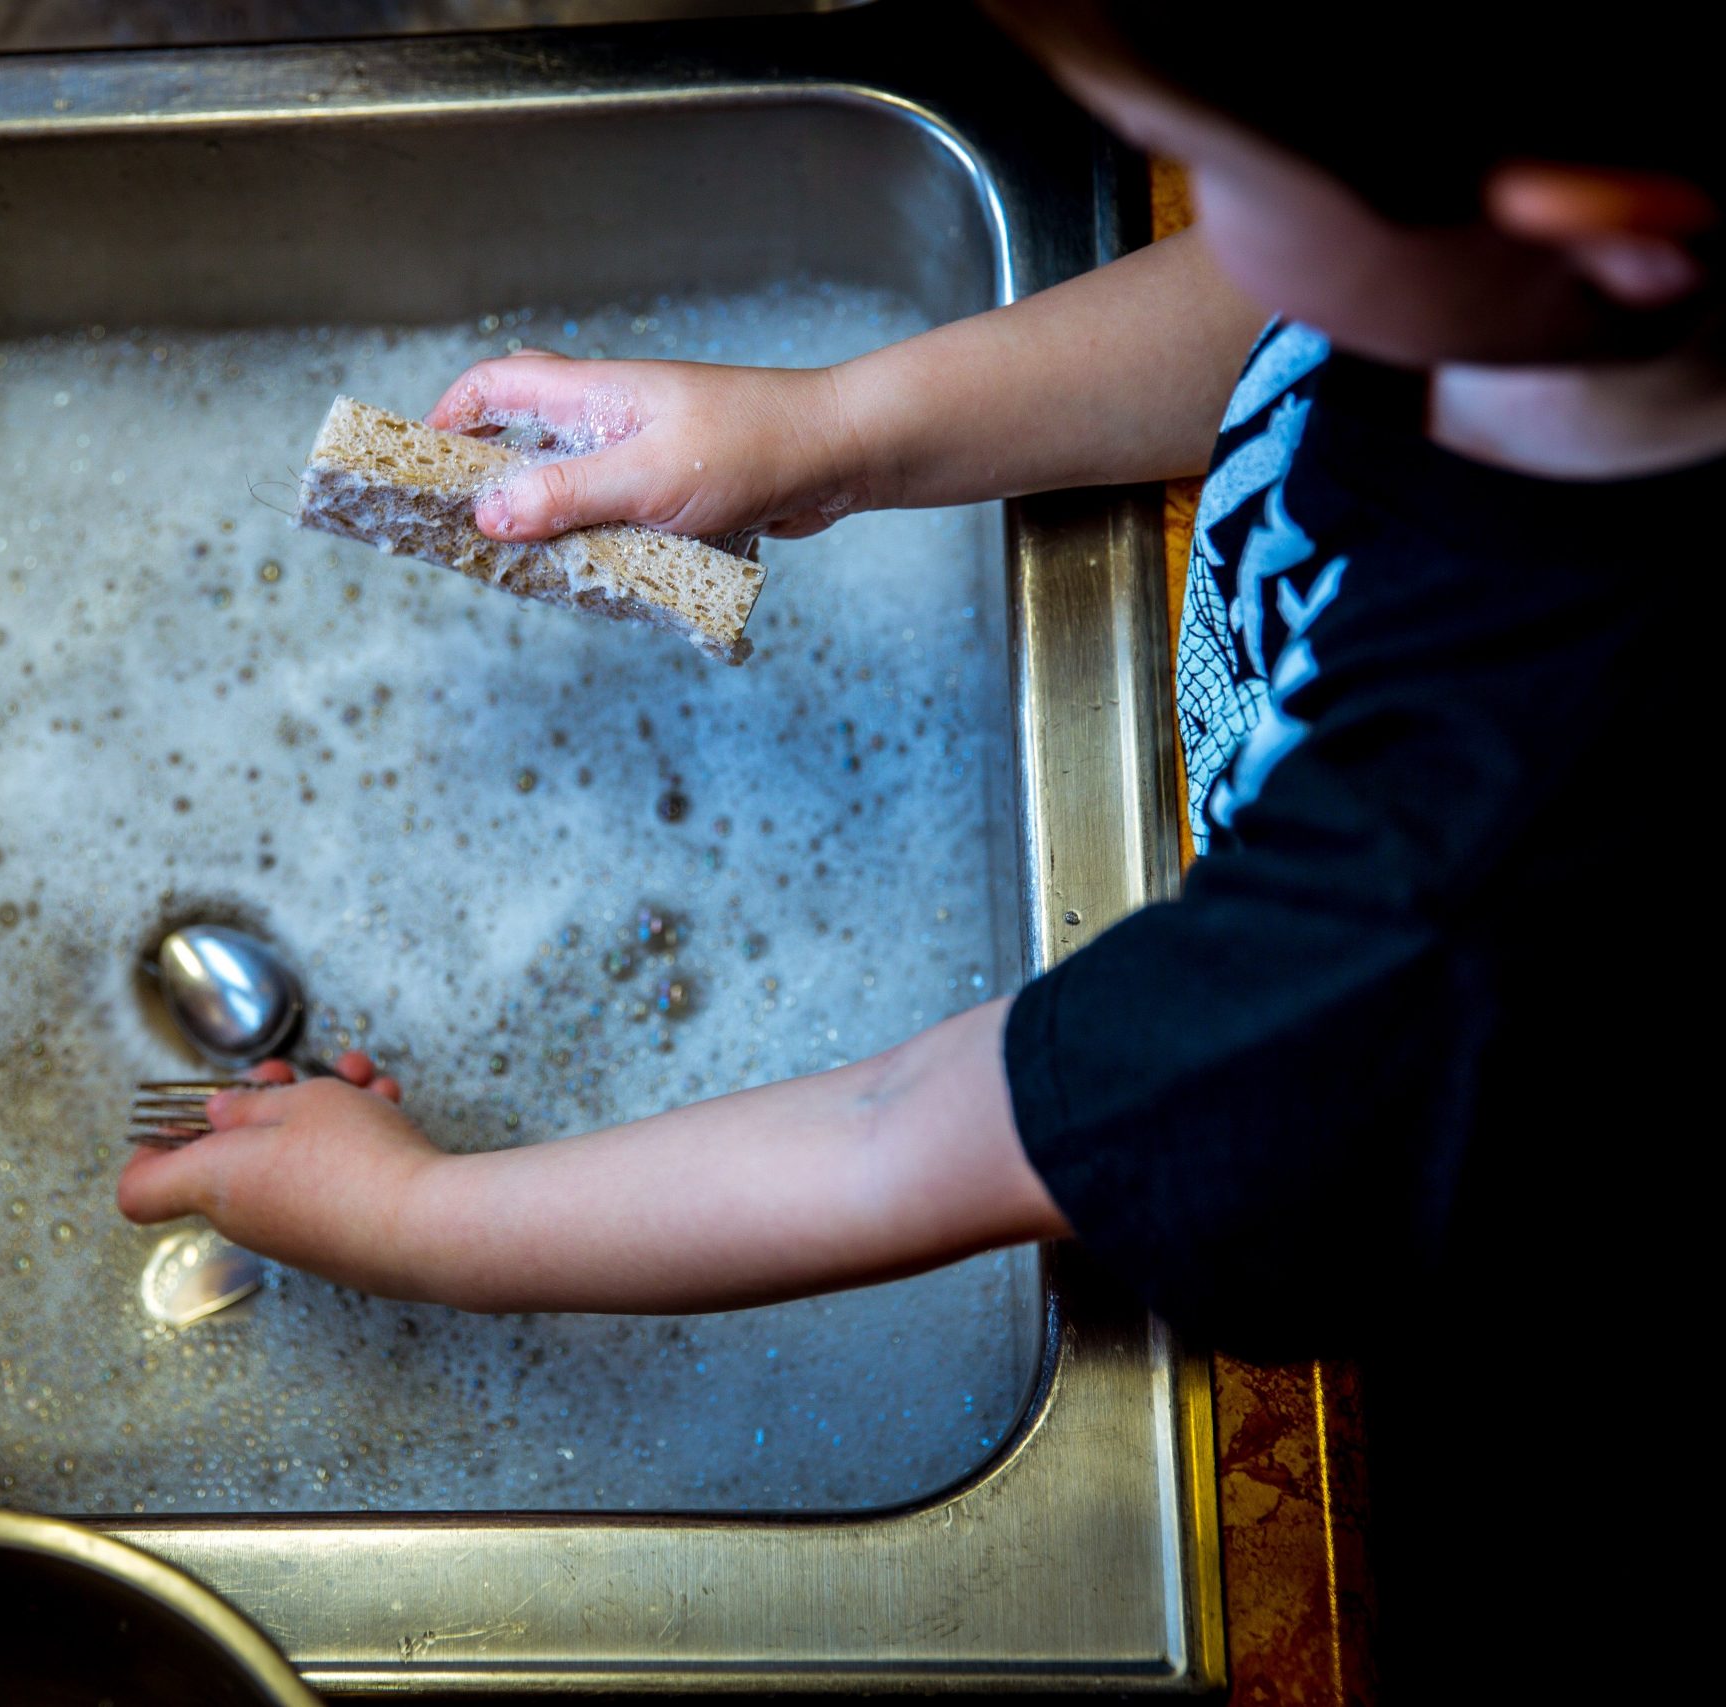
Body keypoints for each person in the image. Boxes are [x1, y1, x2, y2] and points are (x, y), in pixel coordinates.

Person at [122, 3, 1714, 1689]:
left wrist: (423, 1224)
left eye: (1223, 174)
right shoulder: (1532, 305)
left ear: (1599, 229)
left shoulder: (1452, 902)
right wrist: (830, 435)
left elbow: (908, 1137)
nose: (1195, 216)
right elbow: (1282, 318)